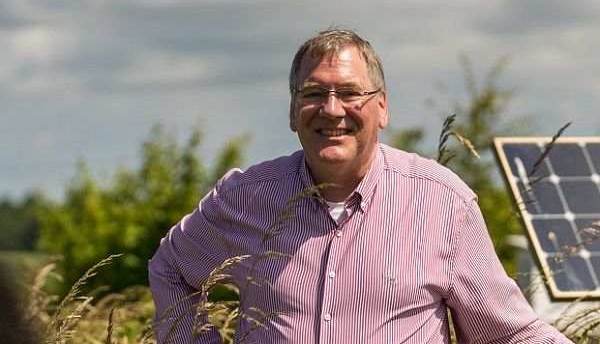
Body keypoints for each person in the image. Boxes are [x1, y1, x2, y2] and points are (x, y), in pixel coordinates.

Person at [149, 29, 573, 343]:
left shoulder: (443, 203)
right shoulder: (244, 197)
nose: (332, 110)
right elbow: (170, 268)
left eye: (350, 92)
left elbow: (507, 333)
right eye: (314, 92)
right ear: (294, 110)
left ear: (382, 107)